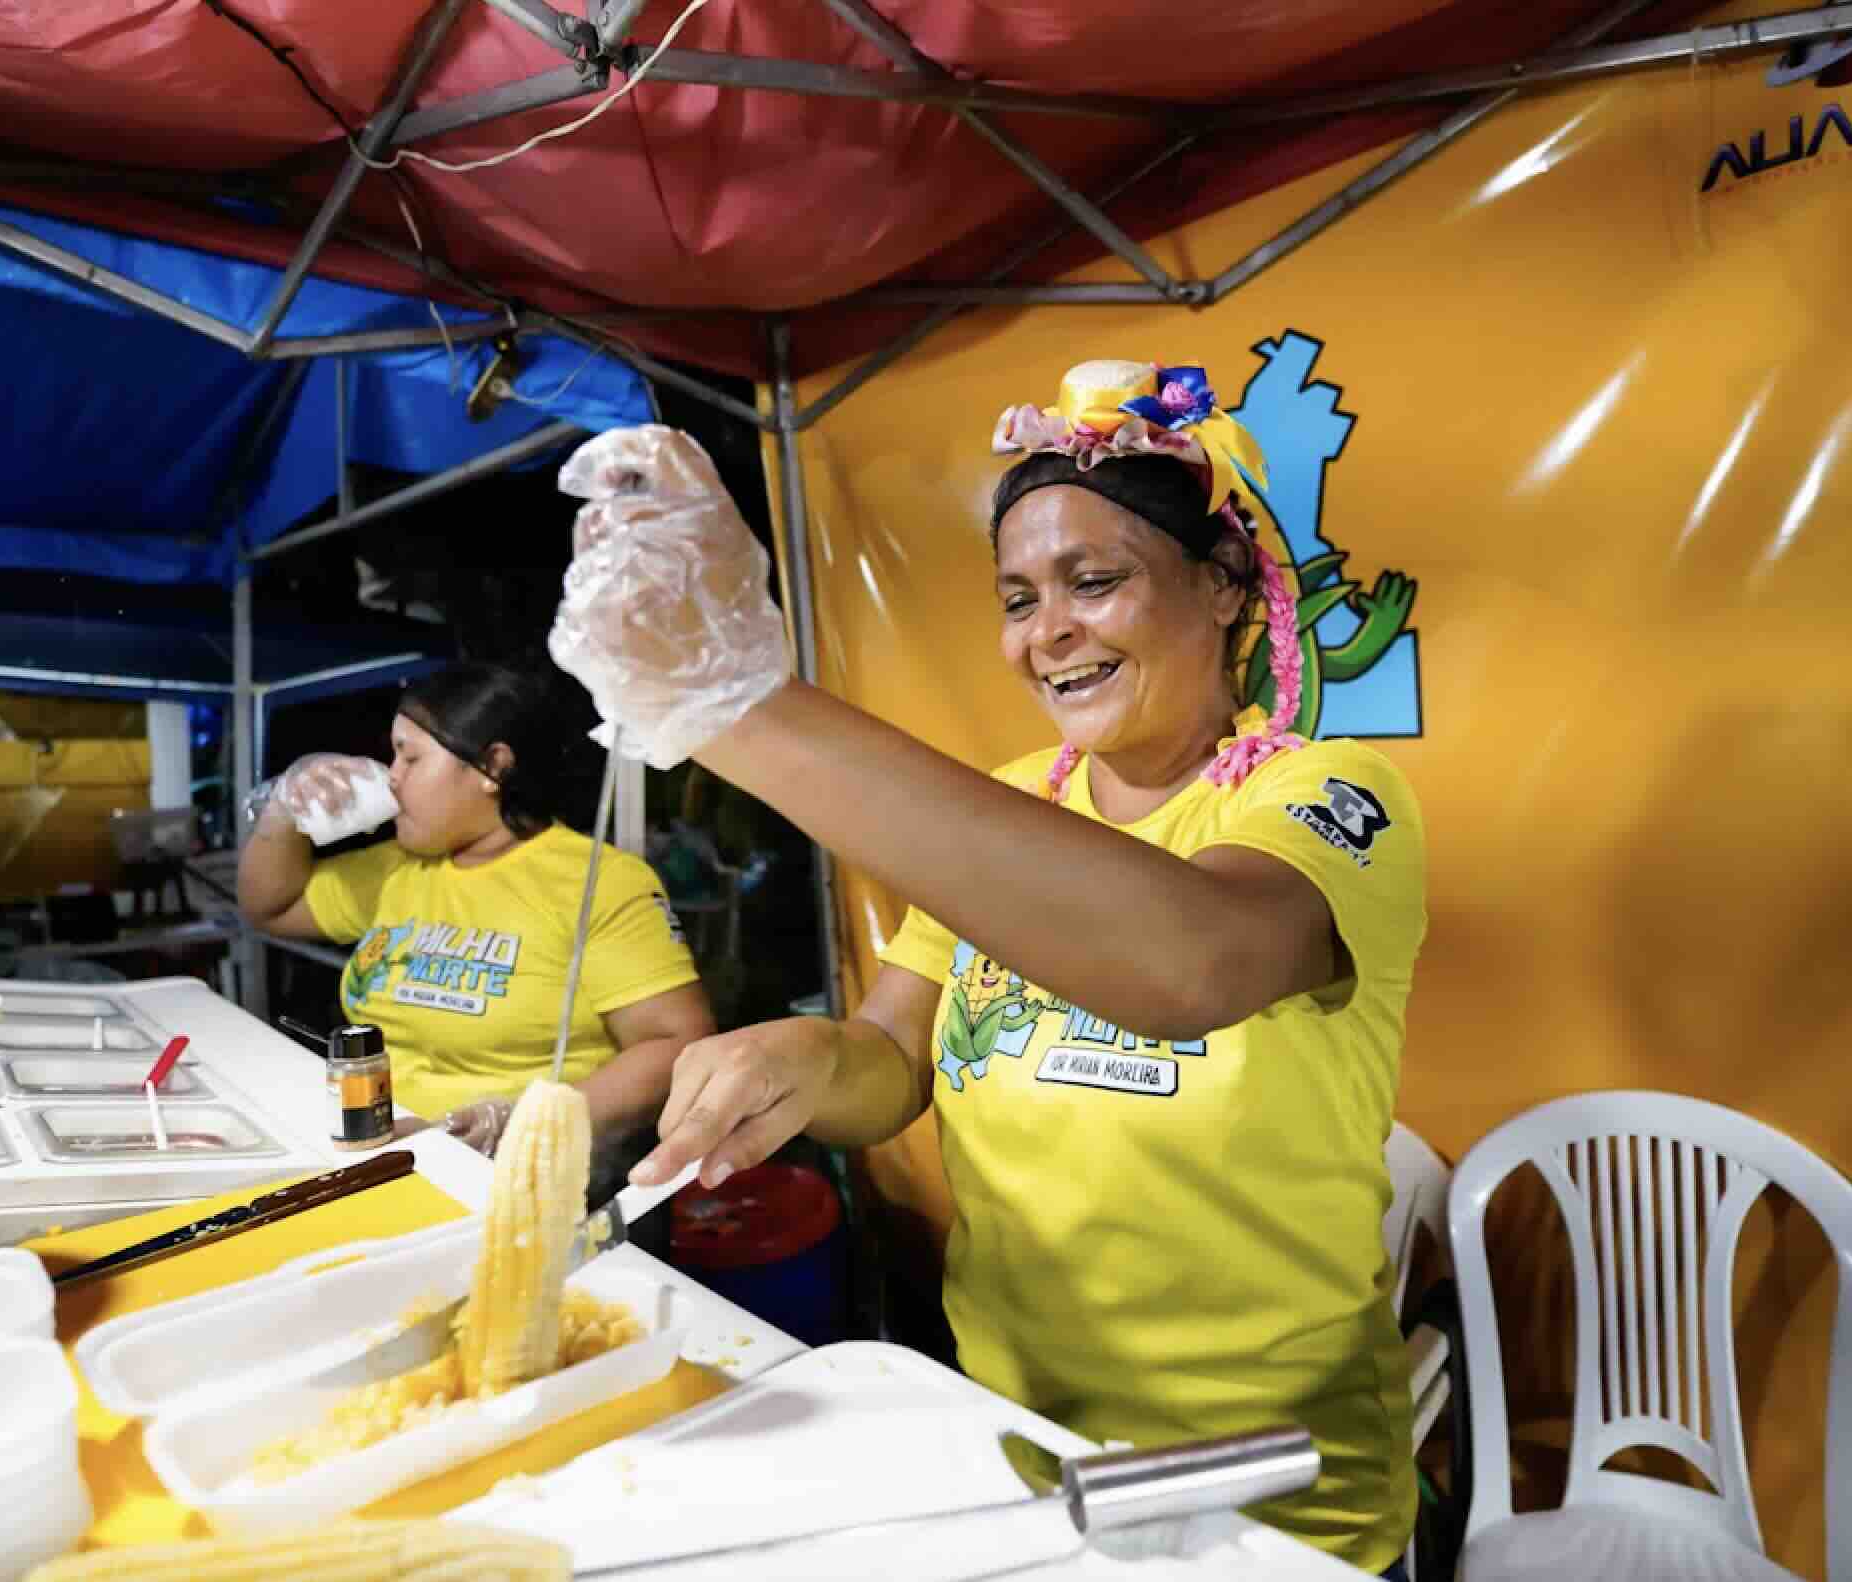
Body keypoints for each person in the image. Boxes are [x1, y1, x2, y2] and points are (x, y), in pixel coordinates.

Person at [545, 364, 1426, 1577]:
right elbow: (894, 1060)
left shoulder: (1324, 798)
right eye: (1016, 597)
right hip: (1015, 1438)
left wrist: (738, 709)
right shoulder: (1018, 807)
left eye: (1094, 581)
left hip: (1264, 1481)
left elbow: (1191, 960)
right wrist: (807, 1056)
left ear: (1222, 588)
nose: (1044, 632)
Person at [235, 661, 716, 1163]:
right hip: (378, 1154)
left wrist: (520, 1120)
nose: (392, 779)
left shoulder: (597, 881)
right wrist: (285, 809)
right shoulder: (398, 869)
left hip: (520, 1173)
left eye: (411, 759)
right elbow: (270, 907)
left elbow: (676, 1043)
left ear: (493, 768)